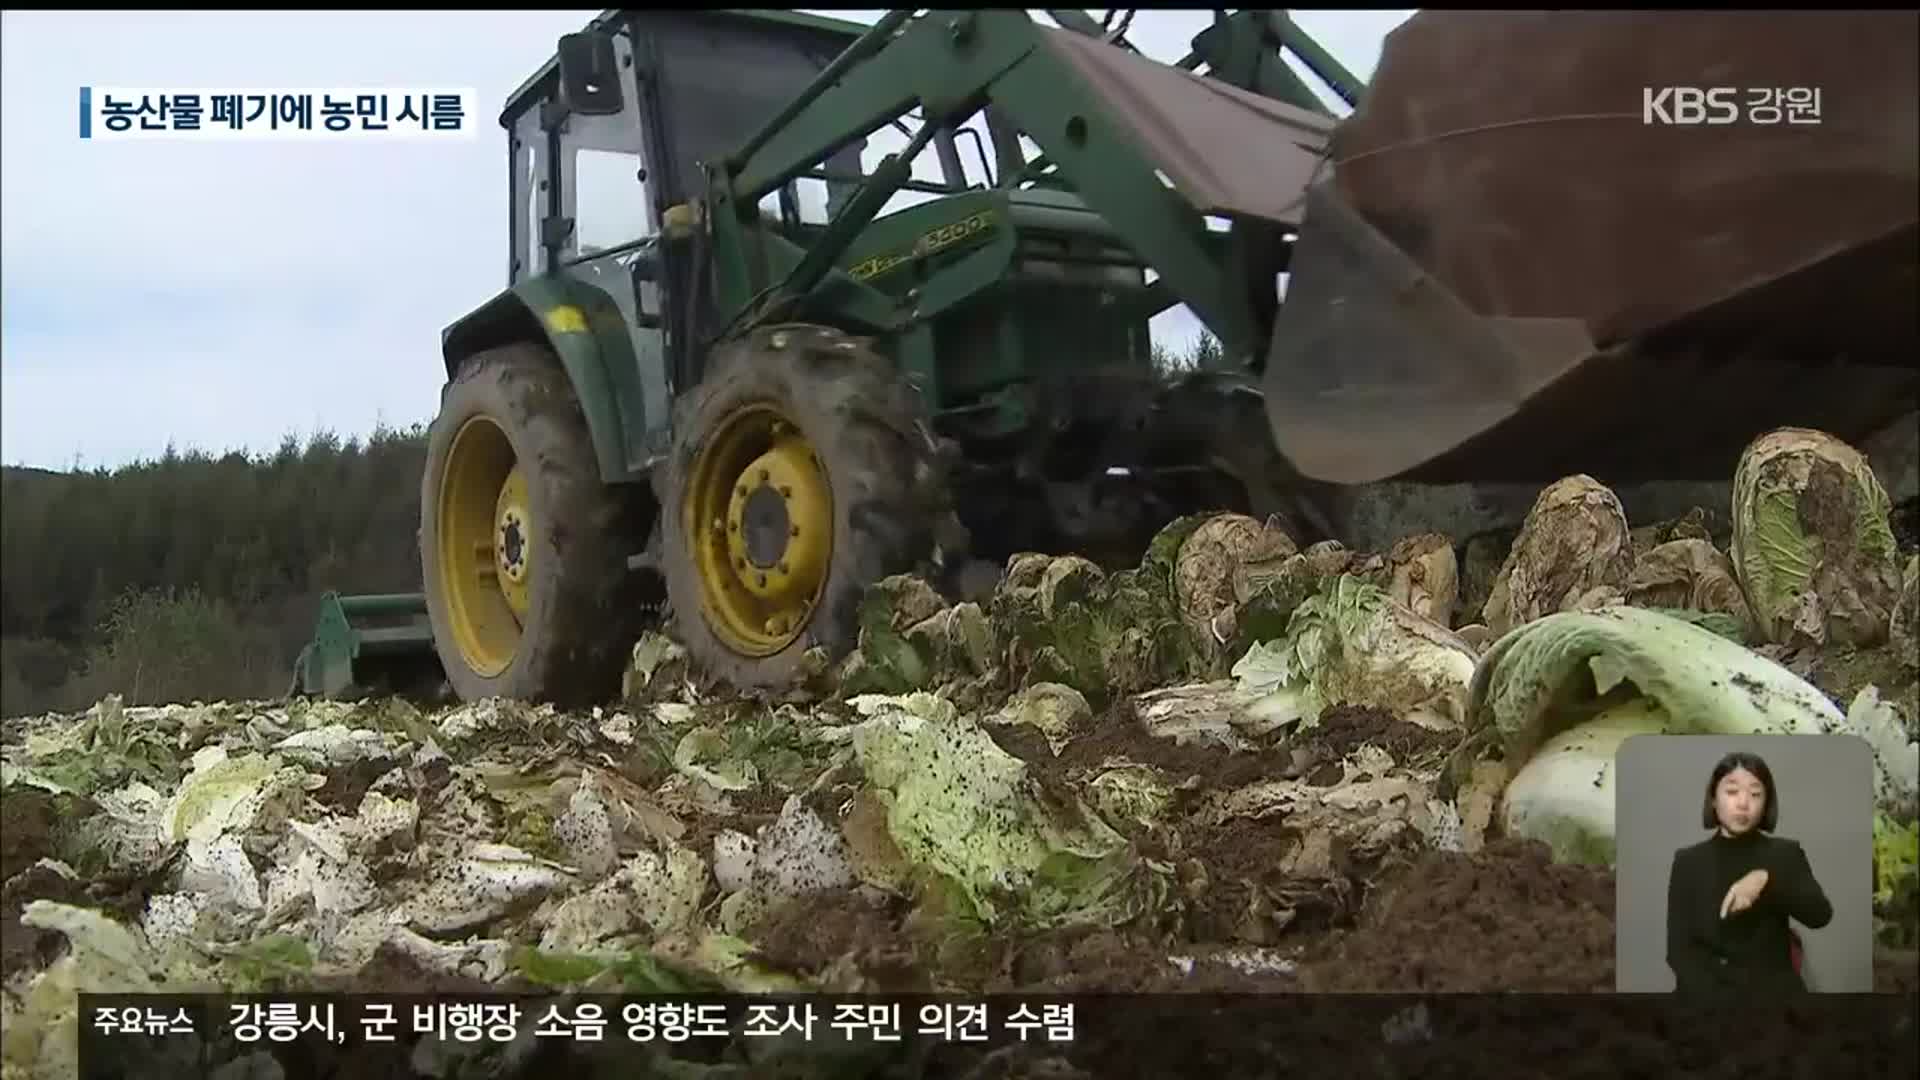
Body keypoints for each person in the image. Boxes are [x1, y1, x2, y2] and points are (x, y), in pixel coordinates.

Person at [1665, 750, 1833, 997]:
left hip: (1773, 999)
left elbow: (1820, 915)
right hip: (1707, 1001)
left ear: (1766, 804)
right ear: (1713, 799)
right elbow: (1679, 952)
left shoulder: (1785, 853)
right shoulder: (1688, 861)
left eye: (1755, 794)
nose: (1743, 803)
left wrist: (1767, 879)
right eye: (1732, 792)